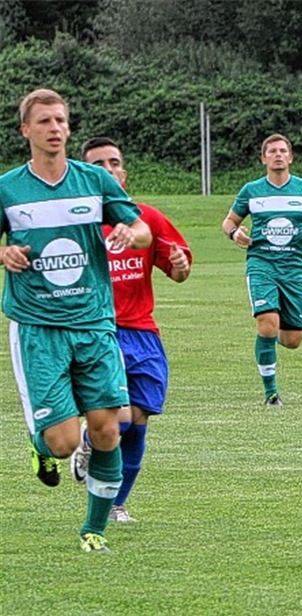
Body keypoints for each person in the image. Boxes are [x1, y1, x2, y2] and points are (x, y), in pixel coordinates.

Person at [0, 89, 152, 553]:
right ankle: (41, 447)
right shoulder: (8, 187)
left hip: (95, 324)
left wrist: (132, 231)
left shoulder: (95, 180)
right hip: (39, 327)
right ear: (26, 130)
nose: (55, 129)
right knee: (65, 443)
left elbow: (142, 229)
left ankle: (94, 530)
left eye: (61, 120)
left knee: (108, 429)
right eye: (44, 121)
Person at [69, 137, 193, 524]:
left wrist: (179, 264)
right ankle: (89, 441)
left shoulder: (147, 219)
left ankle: (117, 503)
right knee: (118, 419)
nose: (109, 170)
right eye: (99, 165)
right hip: (99, 332)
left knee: (138, 422)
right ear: (87, 175)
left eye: (114, 163)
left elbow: (178, 271)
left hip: (143, 333)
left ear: (124, 171)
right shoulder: (79, 221)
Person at [221, 133, 302, 406]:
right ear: (263, 158)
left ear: (290, 157)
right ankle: (271, 394)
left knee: (293, 340)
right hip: (261, 265)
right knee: (267, 324)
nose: (278, 155)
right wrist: (235, 234)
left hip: (294, 269)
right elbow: (228, 222)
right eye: (272, 151)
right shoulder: (251, 191)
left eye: (283, 150)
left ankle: (267, 339)